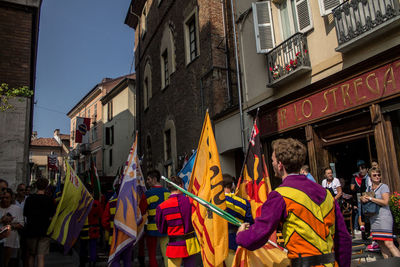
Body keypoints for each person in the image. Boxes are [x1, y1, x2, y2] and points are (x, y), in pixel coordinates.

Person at [236, 138, 352, 267]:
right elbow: (344, 239)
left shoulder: (280, 195)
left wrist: (241, 235)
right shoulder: (326, 194)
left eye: (273, 160)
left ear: (280, 164)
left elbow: (258, 236)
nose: (272, 163)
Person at [155, 176, 200, 267]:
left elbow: (162, 229)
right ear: (180, 186)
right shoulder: (191, 201)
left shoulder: (161, 207)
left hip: (174, 245)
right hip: (191, 243)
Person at [360, 167, 400, 258]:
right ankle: (388, 264)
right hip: (374, 218)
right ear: (370, 177)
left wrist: (370, 198)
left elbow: (385, 202)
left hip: (384, 217)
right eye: (375, 175)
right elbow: (366, 199)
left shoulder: (384, 186)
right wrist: (363, 198)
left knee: (389, 243)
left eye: (379, 175)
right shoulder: (369, 188)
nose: (377, 177)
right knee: (381, 244)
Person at [139, 170, 170, 267]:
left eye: (148, 179)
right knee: (166, 254)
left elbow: (142, 210)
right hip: (165, 227)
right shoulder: (168, 192)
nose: (147, 181)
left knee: (152, 255)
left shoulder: (147, 194)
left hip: (152, 228)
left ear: (154, 179)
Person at [222, 174, 253, 267]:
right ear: (232, 185)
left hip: (223, 243)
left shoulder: (217, 203)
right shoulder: (244, 202)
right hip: (241, 242)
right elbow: (250, 223)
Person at [24, 178, 55, 267]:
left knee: (31, 255)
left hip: (31, 229)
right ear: (46, 187)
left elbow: (25, 213)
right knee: (41, 256)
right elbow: (52, 216)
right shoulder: (49, 200)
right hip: (44, 230)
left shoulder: (29, 199)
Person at [0, 188, 24, 267]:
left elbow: (21, 224)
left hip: (12, 241)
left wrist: (11, 224)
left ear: (11, 198)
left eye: (7, 198)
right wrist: (1, 220)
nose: (4, 200)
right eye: (3, 198)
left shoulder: (17, 209)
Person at [351, 160, 370, 237]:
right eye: (360, 169)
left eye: (363, 168)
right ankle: (363, 229)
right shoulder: (359, 178)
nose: (361, 171)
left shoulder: (369, 178)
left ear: (367, 169)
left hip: (368, 196)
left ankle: (366, 229)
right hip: (361, 196)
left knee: (366, 212)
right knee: (361, 212)